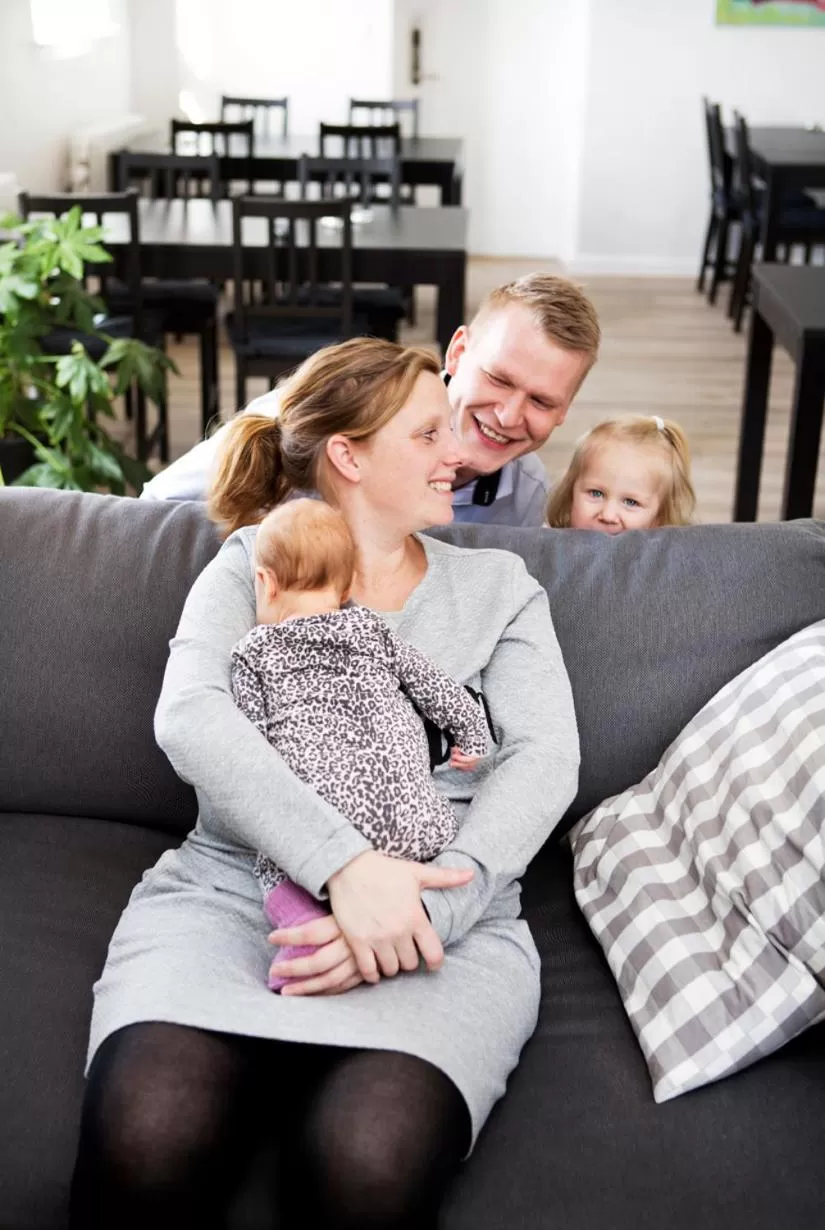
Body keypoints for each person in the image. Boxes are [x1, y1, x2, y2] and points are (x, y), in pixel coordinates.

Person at [70, 336, 580, 1230]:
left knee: (368, 1160)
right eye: (428, 435)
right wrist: (343, 867)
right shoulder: (248, 565)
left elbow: (545, 761)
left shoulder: (500, 585)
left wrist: (421, 912)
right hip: (239, 891)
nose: (458, 452)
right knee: (149, 1136)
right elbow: (190, 714)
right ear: (349, 456)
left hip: (441, 913)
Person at [233, 497, 491, 991]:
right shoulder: (371, 629)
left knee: (272, 859)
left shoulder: (254, 651)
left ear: (264, 583)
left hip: (329, 825)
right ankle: (379, 916)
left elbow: (251, 754)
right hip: (420, 825)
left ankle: (307, 936)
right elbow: (435, 687)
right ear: (348, 586)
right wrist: (471, 735)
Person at [139, 273, 601, 527]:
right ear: (458, 352)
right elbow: (152, 509)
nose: (508, 415)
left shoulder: (525, 495)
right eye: (498, 379)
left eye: (541, 401)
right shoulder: (326, 411)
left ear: (564, 412)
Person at [546, 414, 696, 534]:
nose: (608, 516)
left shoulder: (665, 567)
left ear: (660, 519)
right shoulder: (545, 550)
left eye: (631, 502)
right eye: (596, 493)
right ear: (570, 494)